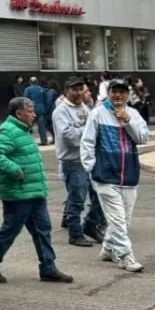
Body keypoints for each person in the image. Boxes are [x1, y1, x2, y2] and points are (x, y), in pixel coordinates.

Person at [0, 97, 72, 285]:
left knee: (43, 229)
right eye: (30, 111)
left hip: (34, 191)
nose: (34, 114)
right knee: (10, 229)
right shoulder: (9, 130)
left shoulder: (23, 130)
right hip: (18, 192)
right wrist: (14, 170)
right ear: (18, 113)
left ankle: (48, 267)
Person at [81, 79, 150, 273]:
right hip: (105, 176)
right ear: (108, 93)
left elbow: (143, 138)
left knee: (124, 219)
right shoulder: (97, 114)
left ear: (128, 95)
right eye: (114, 91)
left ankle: (109, 248)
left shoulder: (133, 114)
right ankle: (125, 256)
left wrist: (128, 121)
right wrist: (91, 168)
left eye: (122, 92)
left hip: (129, 175)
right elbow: (87, 142)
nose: (118, 96)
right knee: (118, 219)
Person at [53, 77, 105, 247]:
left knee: (99, 194)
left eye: (80, 89)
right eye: (73, 90)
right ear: (66, 91)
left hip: (89, 160)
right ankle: (75, 234)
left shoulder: (85, 108)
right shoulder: (61, 111)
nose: (78, 93)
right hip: (73, 162)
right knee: (77, 199)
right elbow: (68, 136)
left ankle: (90, 225)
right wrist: (89, 130)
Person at [23, 77, 49, 145]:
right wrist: (46, 109)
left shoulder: (27, 89)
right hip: (41, 110)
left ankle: (28, 142)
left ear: (30, 82)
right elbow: (46, 100)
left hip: (31, 111)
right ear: (37, 82)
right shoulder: (42, 89)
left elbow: (25, 100)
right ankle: (44, 141)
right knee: (42, 127)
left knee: (28, 127)